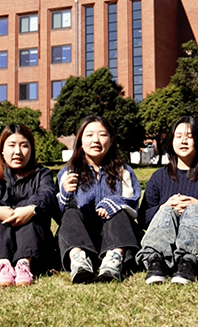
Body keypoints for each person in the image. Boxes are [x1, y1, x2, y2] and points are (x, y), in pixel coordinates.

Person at [136, 116, 198, 284]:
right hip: (165, 244)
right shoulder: (159, 177)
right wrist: (164, 207)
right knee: (166, 210)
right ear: (171, 141)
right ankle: (156, 262)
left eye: (189, 136)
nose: (183, 141)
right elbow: (142, 218)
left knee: (194, 210)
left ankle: (189, 261)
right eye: (178, 136)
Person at [56, 115, 141, 283]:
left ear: (111, 140)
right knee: (71, 214)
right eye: (89, 135)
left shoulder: (124, 171)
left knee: (119, 213)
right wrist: (66, 194)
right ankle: (79, 261)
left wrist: (112, 204)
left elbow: (133, 203)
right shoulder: (68, 172)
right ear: (80, 140)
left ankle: (113, 260)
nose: (96, 140)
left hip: (118, 238)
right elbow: (59, 215)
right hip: (83, 239)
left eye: (102, 134)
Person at [0, 123, 57, 287]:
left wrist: (31, 209)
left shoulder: (42, 173)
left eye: (24, 146)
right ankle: (3, 265)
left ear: (31, 150)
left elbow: (49, 194)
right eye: (11, 145)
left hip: (36, 249)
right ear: (2, 149)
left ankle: (24, 264)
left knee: (31, 206)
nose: (18, 151)